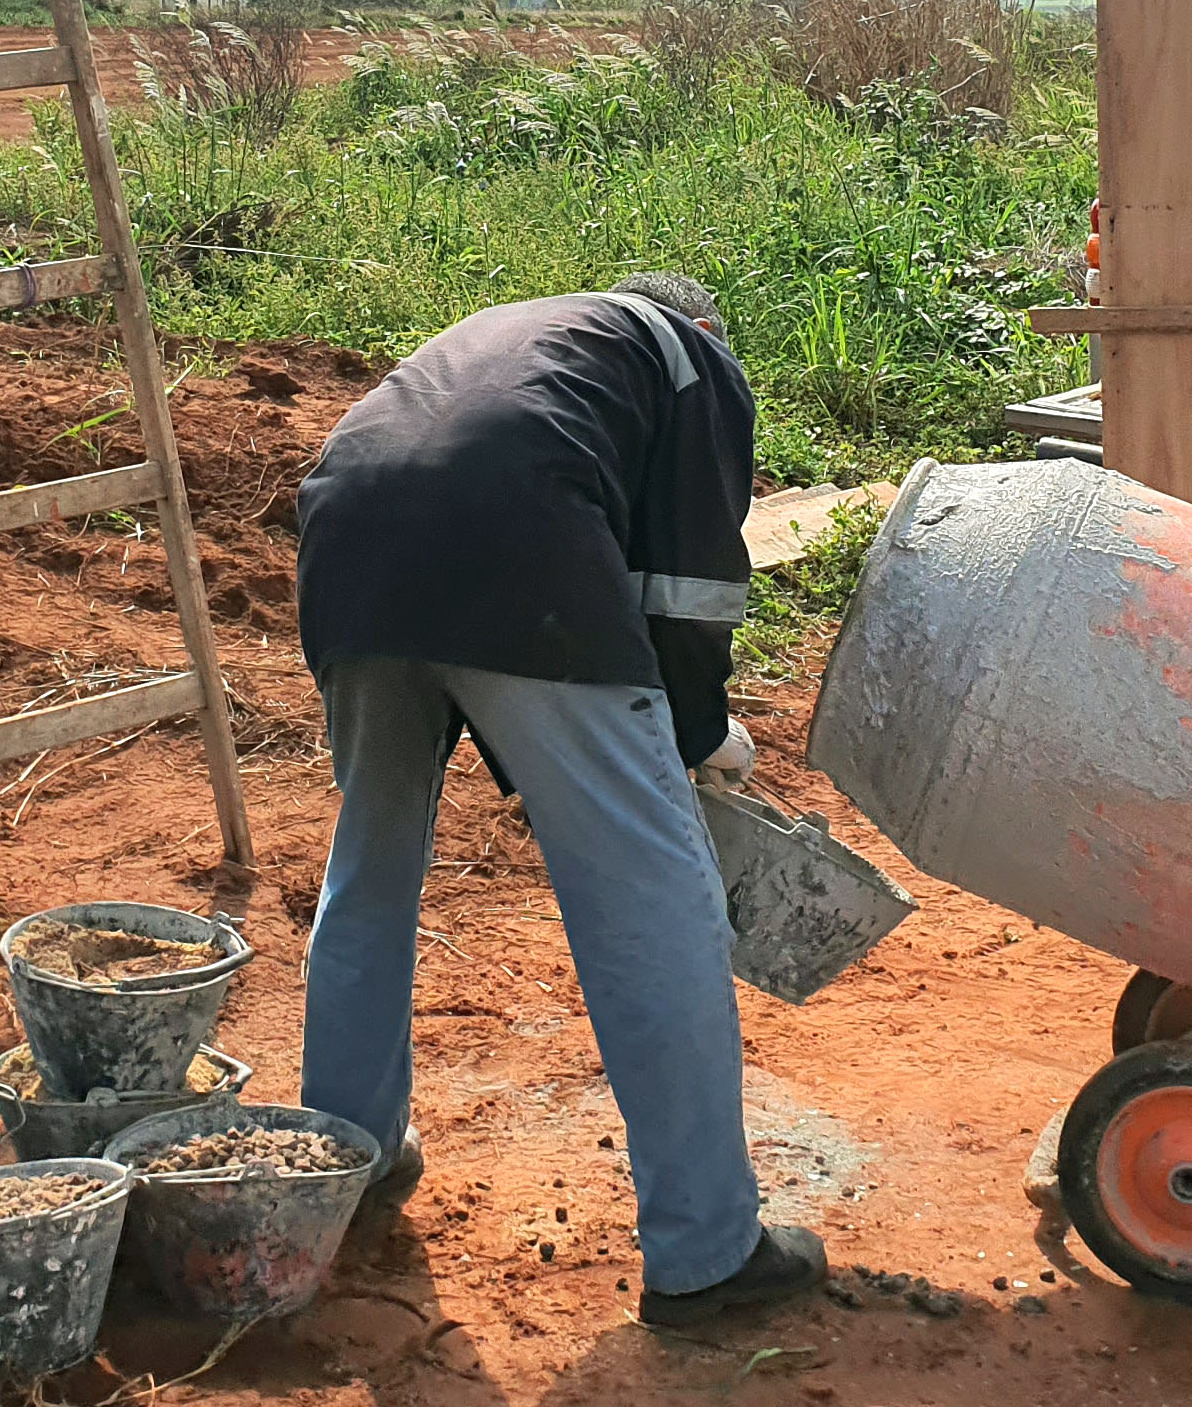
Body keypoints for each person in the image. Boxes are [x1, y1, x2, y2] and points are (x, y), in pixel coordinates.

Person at [292, 275, 827, 1327]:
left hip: (347, 541)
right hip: (506, 541)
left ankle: (343, 1157)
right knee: (652, 895)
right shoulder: (691, 356)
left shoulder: (522, 336)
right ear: (706, 328)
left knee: (369, 867)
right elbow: (686, 585)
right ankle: (707, 1247)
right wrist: (698, 737)